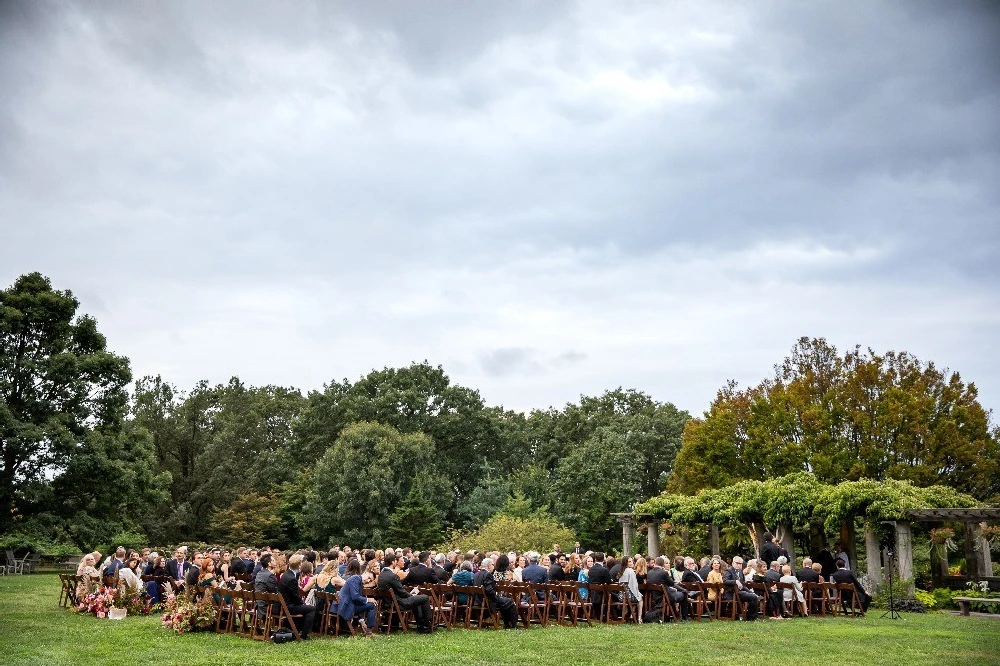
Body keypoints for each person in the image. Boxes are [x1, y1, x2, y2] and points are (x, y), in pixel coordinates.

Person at [378, 553, 433, 633]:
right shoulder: (392, 576)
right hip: (398, 603)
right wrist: (411, 596)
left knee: (416, 600)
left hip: (387, 603)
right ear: (393, 562)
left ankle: (420, 625)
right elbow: (402, 592)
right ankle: (426, 624)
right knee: (424, 597)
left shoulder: (381, 575)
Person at [474, 557, 519, 629]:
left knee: (505, 602)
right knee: (510, 601)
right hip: (489, 601)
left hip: (478, 601)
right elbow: (489, 590)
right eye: (492, 564)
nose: (494, 566)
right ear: (489, 566)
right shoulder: (487, 575)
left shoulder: (476, 574)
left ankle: (507, 624)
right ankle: (514, 625)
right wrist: (497, 596)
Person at [279, 553, 317, 639]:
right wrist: (303, 604)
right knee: (311, 609)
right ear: (299, 565)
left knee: (306, 608)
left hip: (284, 605)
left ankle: (298, 629)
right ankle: (305, 634)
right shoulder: (292, 578)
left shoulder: (286, 574)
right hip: (290, 607)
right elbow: (295, 596)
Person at [337, 558, 376, 637]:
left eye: (370, 580)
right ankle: (369, 632)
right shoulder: (355, 579)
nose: (368, 581)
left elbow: (358, 601)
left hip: (348, 605)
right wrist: (368, 599)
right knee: (372, 605)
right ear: (365, 572)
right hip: (346, 607)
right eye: (369, 578)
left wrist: (361, 620)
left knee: (371, 604)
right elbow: (355, 597)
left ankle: (368, 631)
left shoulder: (358, 581)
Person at [723, 556, 759, 621]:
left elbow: (743, 586)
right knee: (753, 597)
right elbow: (725, 581)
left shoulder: (740, 572)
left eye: (740, 564)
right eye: (737, 563)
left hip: (740, 592)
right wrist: (735, 581)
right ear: (733, 563)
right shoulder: (728, 571)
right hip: (732, 593)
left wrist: (751, 592)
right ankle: (751, 617)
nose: (739, 565)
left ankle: (751, 616)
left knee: (754, 596)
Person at [587, 552, 612, 620]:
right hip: (602, 594)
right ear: (603, 559)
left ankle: (600, 616)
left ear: (595, 559)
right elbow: (609, 582)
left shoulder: (590, 570)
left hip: (592, 593)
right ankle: (609, 615)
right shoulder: (604, 570)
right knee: (615, 598)